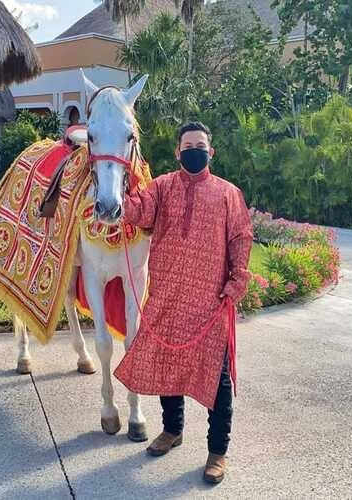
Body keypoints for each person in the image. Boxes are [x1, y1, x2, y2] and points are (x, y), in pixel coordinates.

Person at [114, 122, 253, 485]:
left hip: (209, 305)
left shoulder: (228, 194)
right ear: (178, 153)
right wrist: (115, 185)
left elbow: (241, 237)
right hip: (168, 299)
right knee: (168, 369)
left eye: (200, 146)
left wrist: (237, 281)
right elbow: (138, 212)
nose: (194, 151)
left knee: (217, 382)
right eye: (188, 146)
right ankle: (172, 430)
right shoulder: (161, 187)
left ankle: (217, 452)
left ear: (211, 152)